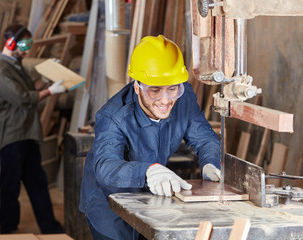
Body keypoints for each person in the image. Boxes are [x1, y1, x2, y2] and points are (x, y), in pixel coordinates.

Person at [79, 35, 221, 240]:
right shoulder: (113, 117)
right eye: (155, 90)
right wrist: (147, 171)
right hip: (108, 202)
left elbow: (204, 138)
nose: (166, 100)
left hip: (149, 198)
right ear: (137, 87)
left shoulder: (183, 98)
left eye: (173, 89)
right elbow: (105, 166)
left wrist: (211, 162)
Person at [0, 24, 66, 234]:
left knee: (38, 183)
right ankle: (8, 230)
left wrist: (47, 77)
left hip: (27, 133)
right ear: (11, 43)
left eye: (29, 44)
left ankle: (50, 228)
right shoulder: (0, 72)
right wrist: (50, 91)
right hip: (13, 136)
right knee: (10, 186)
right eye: (24, 44)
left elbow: (29, 88)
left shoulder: (15, 64)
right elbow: (23, 99)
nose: (27, 49)